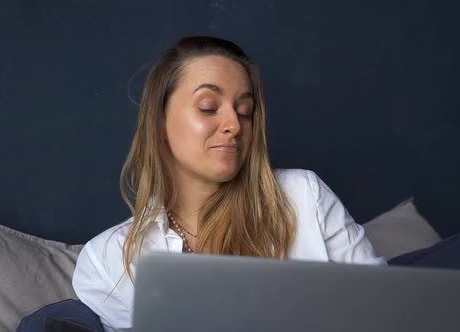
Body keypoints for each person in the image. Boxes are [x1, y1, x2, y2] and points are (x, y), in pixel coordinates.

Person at [72, 36, 386, 332]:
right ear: (159, 121)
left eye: (245, 111)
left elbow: (388, 308)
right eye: (208, 107)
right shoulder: (108, 259)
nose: (235, 125)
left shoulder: (304, 196)